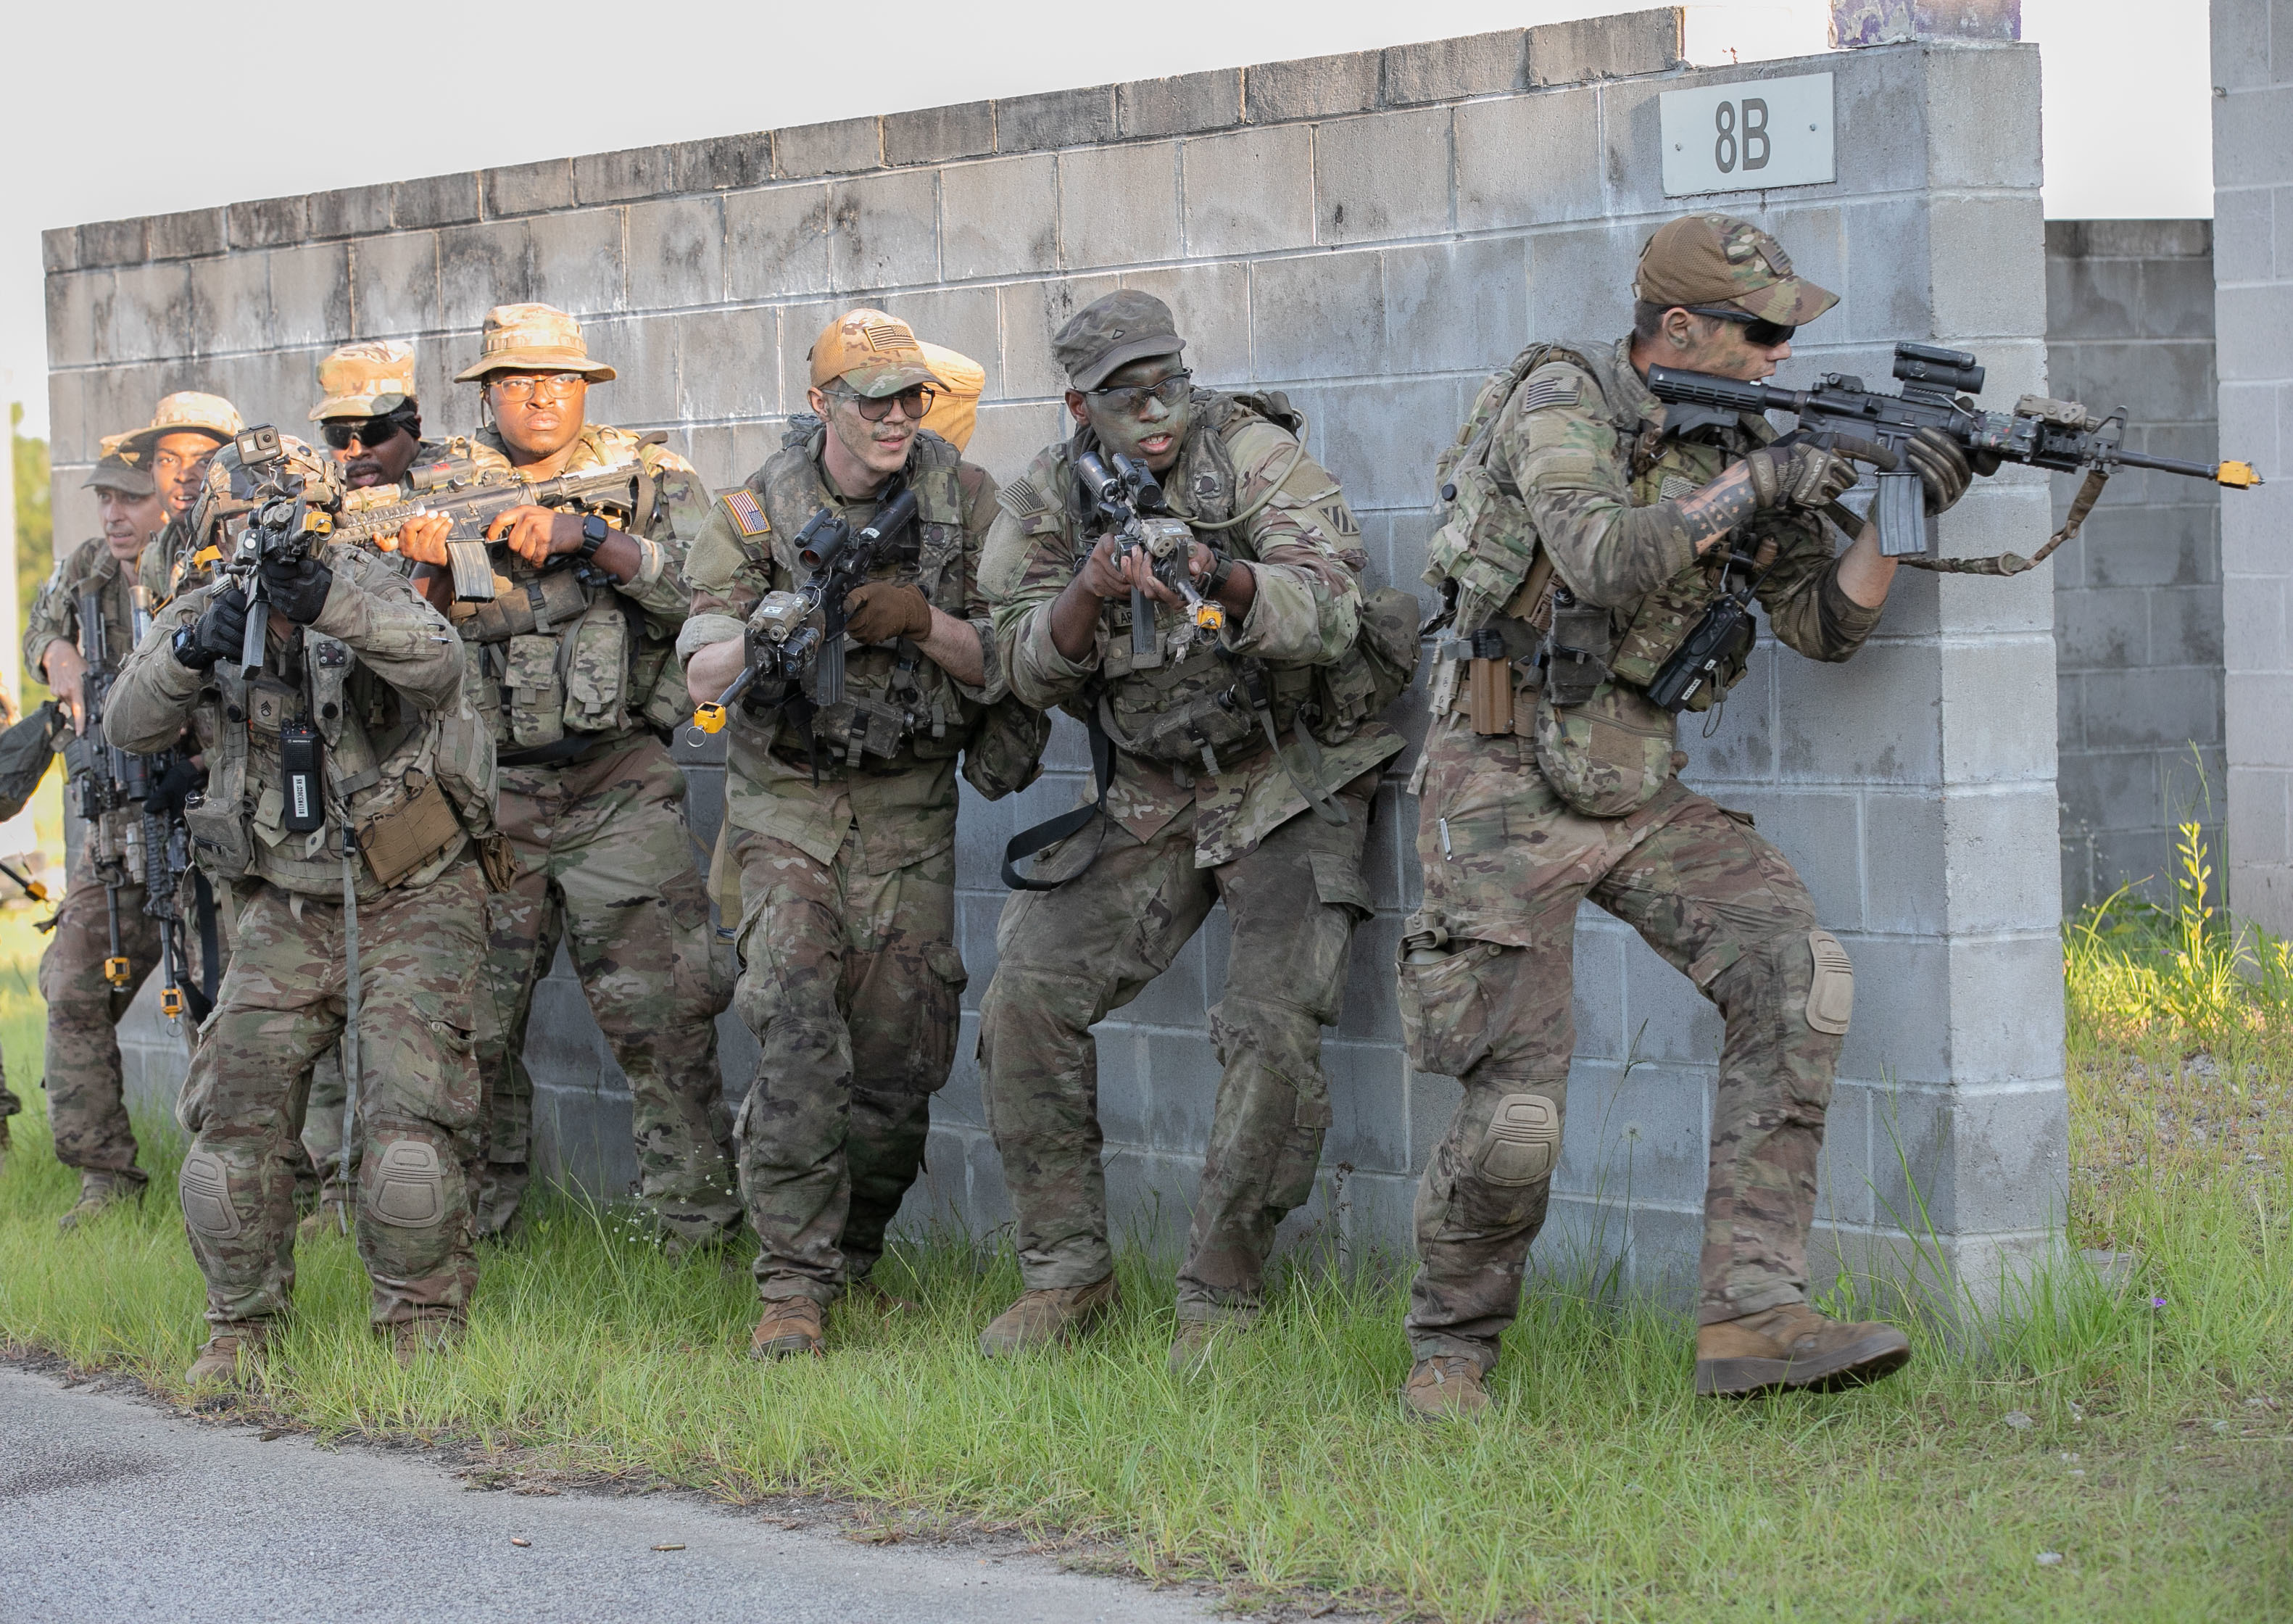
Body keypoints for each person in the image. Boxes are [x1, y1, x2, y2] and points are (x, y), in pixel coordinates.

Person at [1396, 212, 1981, 1416]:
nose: (1777, 354)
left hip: (1630, 777)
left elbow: (1827, 626)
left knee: (1791, 968)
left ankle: (1751, 1317)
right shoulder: (1562, 399)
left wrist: (1897, 513)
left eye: (1784, 335)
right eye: (1758, 331)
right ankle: (1450, 1356)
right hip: (1499, 773)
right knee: (1514, 1110)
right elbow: (1603, 557)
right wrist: (1757, 479)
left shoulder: (1745, 440)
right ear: (1677, 328)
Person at [975, 290, 1410, 1370]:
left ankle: (1220, 1301)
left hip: (1286, 777)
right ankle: (1063, 1279)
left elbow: (1332, 608)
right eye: (1127, 395)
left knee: (1269, 1028)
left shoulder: (1248, 453)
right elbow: (1017, 663)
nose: (1158, 409)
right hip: (1153, 791)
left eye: (1169, 380)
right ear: (1080, 404)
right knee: (1025, 994)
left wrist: (1219, 575)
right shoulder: (1045, 497)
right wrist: (1089, 587)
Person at [104, 432, 504, 1383]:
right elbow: (130, 723)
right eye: (238, 525)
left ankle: (419, 1333)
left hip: (411, 893)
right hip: (285, 907)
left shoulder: (367, 583)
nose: (257, 545)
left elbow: (438, 665)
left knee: (408, 1132)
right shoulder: (202, 605)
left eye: (277, 527)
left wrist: (327, 605)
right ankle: (240, 1331)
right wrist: (192, 649)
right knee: (230, 1125)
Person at [682, 309, 1025, 1359]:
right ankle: (790, 1287)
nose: (892, 418)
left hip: (910, 807)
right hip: (786, 803)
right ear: (821, 402)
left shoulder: (965, 504)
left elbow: (1012, 661)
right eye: (869, 399)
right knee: (794, 1030)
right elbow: (698, 668)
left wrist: (921, 623)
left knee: (898, 1058)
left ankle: (854, 1261)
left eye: (907, 399)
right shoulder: (752, 512)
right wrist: (773, 626)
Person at [389, 303, 734, 1248]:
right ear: (486, 392)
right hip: (483, 795)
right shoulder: (433, 486)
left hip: (617, 783)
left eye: (561, 380)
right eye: (516, 380)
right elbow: (381, 641)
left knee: (667, 1017)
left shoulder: (653, 478)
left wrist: (591, 539)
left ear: (588, 388)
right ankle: (471, 1234)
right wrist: (419, 573)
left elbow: (715, 594)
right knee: (468, 1025)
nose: (541, 396)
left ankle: (695, 1232)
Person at [297, 339, 446, 1238]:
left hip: (423, 809)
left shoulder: (444, 508)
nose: (358, 448)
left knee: (420, 1050)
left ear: (413, 430)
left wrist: (426, 570)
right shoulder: (319, 520)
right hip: (330, 808)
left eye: (378, 430)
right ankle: (332, 1196)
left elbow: (435, 661)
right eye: (340, 433)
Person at [23, 442, 177, 1227]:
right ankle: (105, 1180)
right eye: (105, 499)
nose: (115, 515)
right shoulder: (86, 568)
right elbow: (37, 629)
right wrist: (56, 653)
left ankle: (305, 1184)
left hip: (198, 826)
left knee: (246, 1007)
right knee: (73, 986)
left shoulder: (198, 562)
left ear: (169, 499)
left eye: (131, 499)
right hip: (114, 830)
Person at [125, 392, 242, 602]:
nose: (183, 476)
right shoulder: (156, 559)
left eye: (205, 462)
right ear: (152, 474)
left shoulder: (251, 547)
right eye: (168, 460)